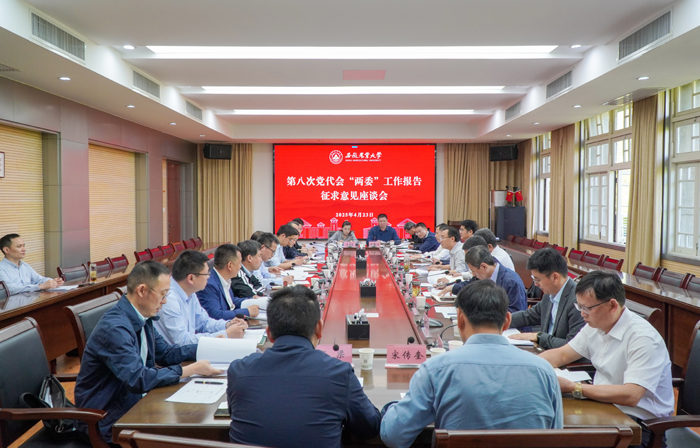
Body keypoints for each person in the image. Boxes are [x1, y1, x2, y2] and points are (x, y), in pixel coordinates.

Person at [380, 280, 563, 448]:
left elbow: (394, 436)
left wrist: (393, 408)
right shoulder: (545, 372)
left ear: (460, 319)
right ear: (507, 321)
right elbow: (557, 437)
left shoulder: (436, 370)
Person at [74, 260, 222, 442]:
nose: (165, 301)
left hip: (135, 403)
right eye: (163, 294)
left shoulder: (143, 317)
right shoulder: (115, 328)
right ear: (142, 290)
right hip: (107, 420)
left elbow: (166, 354)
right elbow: (138, 378)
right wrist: (190, 370)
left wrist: (209, 347)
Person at [226, 285, 381, 448]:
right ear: (319, 328)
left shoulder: (238, 371)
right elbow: (370, 427)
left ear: (269, 333)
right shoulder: (338, 373)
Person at [540, 271, 674, 448]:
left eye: (587, 308)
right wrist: (531, 366)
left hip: (640, 427)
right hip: (604, 408)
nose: (582, 314)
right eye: (579, 307)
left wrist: (575, 388)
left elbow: (631, 395)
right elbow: (562, 355)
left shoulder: (643, 338)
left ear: (612, 305)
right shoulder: (595, 325)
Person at [154, 250, 248, 346]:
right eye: (206, 273)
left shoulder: (190, 293)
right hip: (177, 354)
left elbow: (204, 322)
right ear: (191, 278)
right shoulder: (169, 300)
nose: (208, 277)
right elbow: (182, 342)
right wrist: (225, 334)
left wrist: (227, 325)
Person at [507, 248, 585, 349]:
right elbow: (528, 316)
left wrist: (539, 337)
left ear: (554, 277)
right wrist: (499, 321)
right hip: (544, 350)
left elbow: (572, 346)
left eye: (537, 279)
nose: (536, 284)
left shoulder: (578, 302)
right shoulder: (549, 295)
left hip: (560, 357)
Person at [455, 246, 527, 314]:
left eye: (473, 270)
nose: (473, 274)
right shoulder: (484, 276)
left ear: (484, 266)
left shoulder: (511, 281)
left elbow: (515, 312)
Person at [198, 243, 261, 319]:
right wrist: (246, 311)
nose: (240, 266)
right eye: (239, 263)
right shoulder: (209, 285)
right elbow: (216, 315)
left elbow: (231, 301)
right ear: (230, 265)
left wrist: (251, 300)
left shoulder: (225, 279)